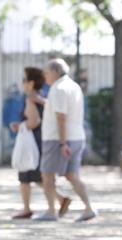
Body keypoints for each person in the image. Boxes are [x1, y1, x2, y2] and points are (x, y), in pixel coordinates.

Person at [32, 58, 96, 222]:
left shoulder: (58, 88)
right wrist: (42, 101)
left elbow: (61, 117)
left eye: (46, 73)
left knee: (46, 174)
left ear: (55, 71)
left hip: (57, 138)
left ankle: (51, 211)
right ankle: (89, 208)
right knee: (72, 175)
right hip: (76, 136)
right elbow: (59, 109)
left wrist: (62, 143)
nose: (45, 77)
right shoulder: (73, 86)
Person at [9, 67, 71, 219]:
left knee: (25, 175)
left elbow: (34, 121)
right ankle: (61, 199)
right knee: (38, 177)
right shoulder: (42, 96)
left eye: (24, 80)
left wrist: (19, 126)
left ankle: (26, 209)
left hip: (31, 141)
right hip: (40, 139)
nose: (22, 83)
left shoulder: (30, 97)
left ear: (30, 83)